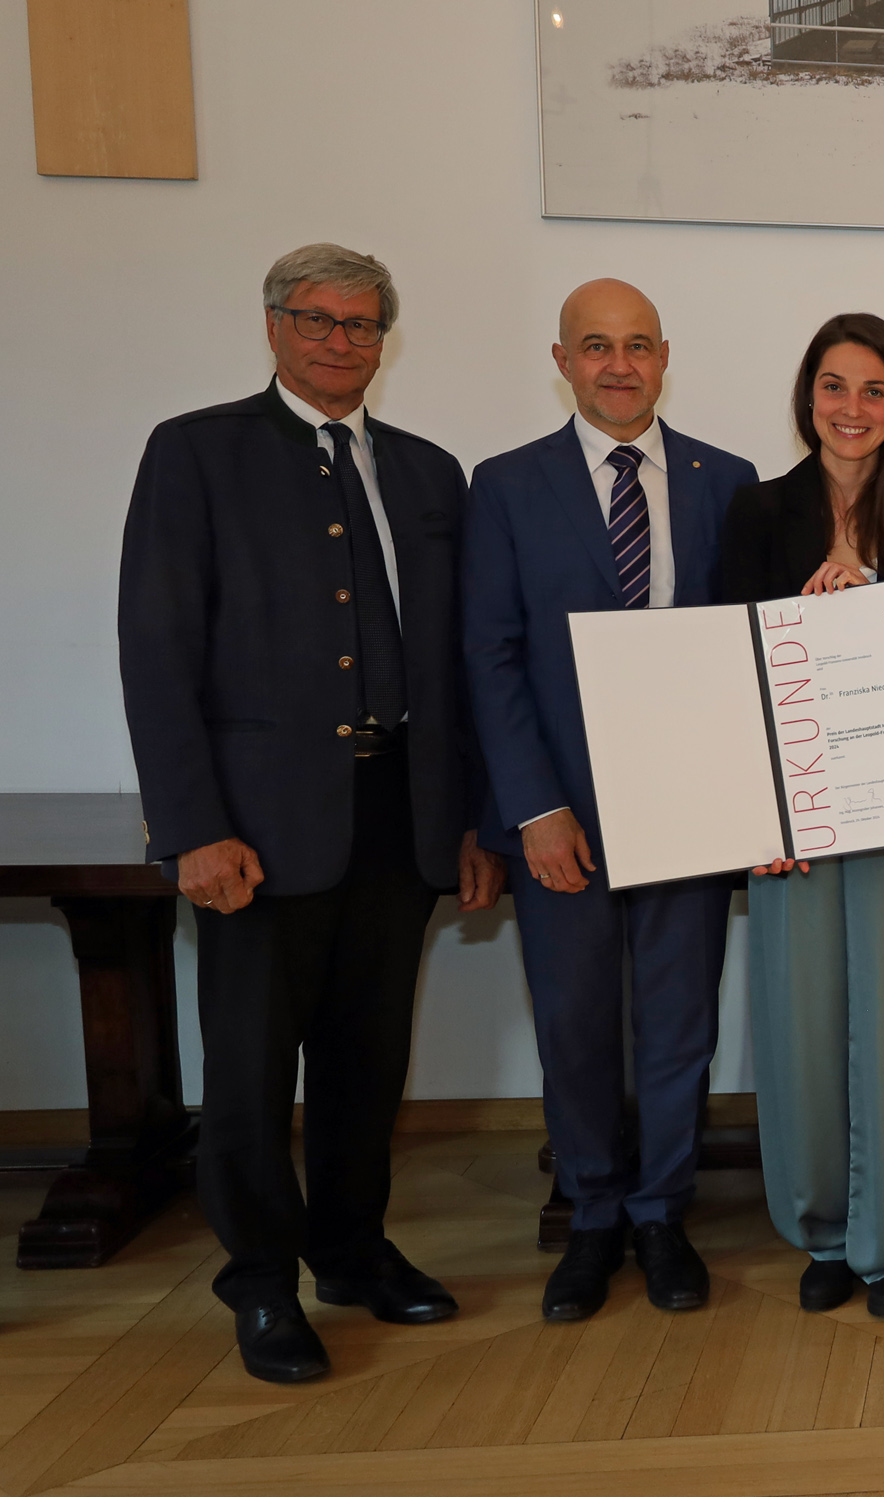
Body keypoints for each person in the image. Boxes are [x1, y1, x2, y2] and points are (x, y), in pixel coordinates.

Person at [117, 243, 504, 1383]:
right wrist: (191, 825)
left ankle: (353, 1250)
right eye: (317, 320)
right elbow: (157, 649)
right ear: (275, 326)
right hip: (255, 824)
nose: (341, 341)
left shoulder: (432, 475)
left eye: (363, 324)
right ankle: (261, 1285)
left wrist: (472, 819)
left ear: (387, 337)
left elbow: (460, 664)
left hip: (399, 813)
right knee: (246, 1069)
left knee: (364, 1062)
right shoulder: (197, 453)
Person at [465, 279, 760, 1323]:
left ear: (665, 355)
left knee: (678, 1025)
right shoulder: (504, 486)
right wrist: (533, 809)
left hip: (694, 811)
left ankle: (660, 1211)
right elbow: (491, 655)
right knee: (578, 1022)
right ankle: (591, 1214)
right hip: (565, 820)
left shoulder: (729, 481)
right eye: (597, 346)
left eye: (637, 345)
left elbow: (752, 652)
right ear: (562, 358)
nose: (619, 365)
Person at [719, 314, 884, 1322]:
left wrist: (872, 607)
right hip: (795, 826)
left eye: (872, 389)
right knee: (802, 1024)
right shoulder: (755, 510)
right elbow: (728, 664)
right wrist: (755, 814)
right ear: (806, 396)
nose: (851, 409)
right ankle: (823, 1228)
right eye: (833, 385)